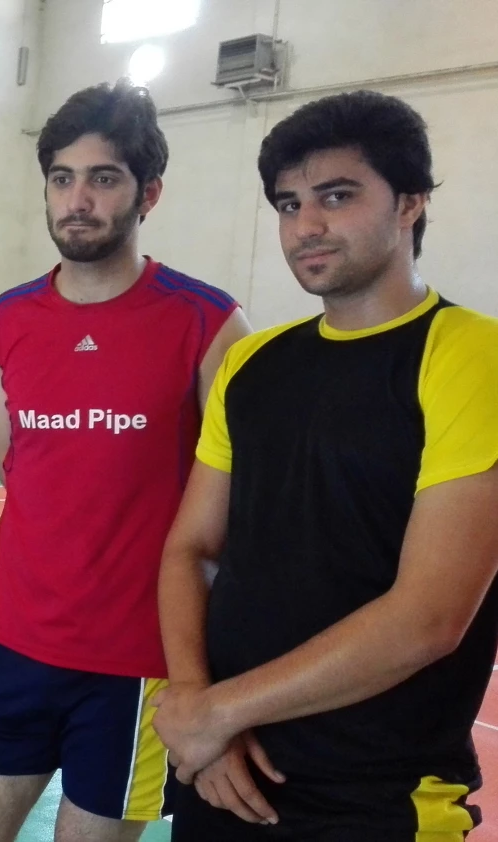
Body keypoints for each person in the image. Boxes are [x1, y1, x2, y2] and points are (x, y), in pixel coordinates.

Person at [154, 90, 498, 840]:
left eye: (337, 197)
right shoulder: (252, 364)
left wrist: (214, 711)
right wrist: (194, 703)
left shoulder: (470, 355)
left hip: (376, 794)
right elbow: (192, 548)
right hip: (225, 773)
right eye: (289, 204)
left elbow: (429, 618)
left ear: (410, 202)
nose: (306, 225)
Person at [0, 82, 251, 842]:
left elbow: (238, 512)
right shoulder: (5, 322)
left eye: (103, 178)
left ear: (149, 193)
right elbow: (16, 465)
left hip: (140, 668)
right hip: (13, 647)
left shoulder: (210, 324)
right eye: (62, 178)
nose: (78, 200)